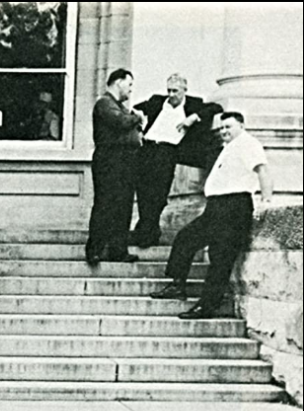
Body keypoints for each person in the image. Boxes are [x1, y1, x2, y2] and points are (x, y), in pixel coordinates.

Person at [150, 112, 273, 320]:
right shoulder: (228, 147)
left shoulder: (248, 143)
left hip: (234, 207)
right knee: (186, 238)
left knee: (221, 258)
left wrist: (266, 202)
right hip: (216, 207)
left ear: (241, 126)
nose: (224, 131)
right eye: (222, 128)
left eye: (229, 127)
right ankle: (177, 285)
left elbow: (263, 171)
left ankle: (207, 306)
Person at [131, 74, 223, 248]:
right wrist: (140, 124)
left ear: (184, 90)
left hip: (168, 151)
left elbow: (215, 107)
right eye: (169, 91)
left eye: (175, 91)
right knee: (143, 190)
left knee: (158, 193)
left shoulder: (194, 104)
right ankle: (147, 229)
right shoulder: (157, 101)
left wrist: (193, 117)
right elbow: (135, 109)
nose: (171, 95)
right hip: (148, 148)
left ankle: (147, 231)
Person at [86, 68, 144, 266]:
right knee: (105, 204)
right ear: (118, 82)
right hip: (109, 160)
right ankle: (95, 250)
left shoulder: (117, 105)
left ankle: (118, 250)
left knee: (123, 207)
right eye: (129, 85)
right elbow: (120, 123)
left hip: (125, 161)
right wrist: (138, 117)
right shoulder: (105, 103)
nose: (130, 90)